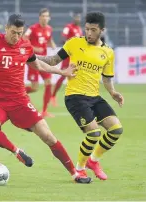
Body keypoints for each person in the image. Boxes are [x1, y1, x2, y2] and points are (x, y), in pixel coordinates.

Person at [0, 14, 91, 183]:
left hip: (20, 101)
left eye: (20, 33)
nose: (16, 37)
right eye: (13, 32)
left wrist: (62, 72)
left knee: (48, 137)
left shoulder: (25, 46)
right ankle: (17, 152)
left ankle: (75, 173)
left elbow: (37, 65)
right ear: (6, 28)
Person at [37, 12, 124, 180]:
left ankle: (94, 161)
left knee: (116, 129)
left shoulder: (108, 52)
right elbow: (53, 60)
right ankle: (80, 168)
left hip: (95, 97)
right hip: (75, 97)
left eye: (93, 30)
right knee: (94, 133)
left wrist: (113, 92)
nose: (89, 33)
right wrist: (31, 56)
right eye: (87, 29)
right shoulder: (75, 43)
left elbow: (106, 78)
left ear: (102, 30)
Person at [23, 8, 57, 117]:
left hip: (44, 60)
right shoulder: (32, 28)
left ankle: (45, 111)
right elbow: (23, 39)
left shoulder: (49, 29)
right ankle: (16, 92)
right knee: (34, 88)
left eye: (47, 16)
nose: (45, 18)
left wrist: (52, 44)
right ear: (40, 17)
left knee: (49, 83)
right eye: (43, 16)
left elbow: (49, 39)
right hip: (33, 60)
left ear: (49, 18)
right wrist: (33, 48)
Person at [51, 12, 83, 106]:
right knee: (63, 75)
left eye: (79, 18)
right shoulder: (69, 27)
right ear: (74, 18)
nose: (78, 19)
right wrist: (70, 46)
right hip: (68, 55)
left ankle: (76, 97)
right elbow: (63, 37)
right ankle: (53, 96)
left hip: (76, 56)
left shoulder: (79, 29)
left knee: (76, 75)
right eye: (76, 17)